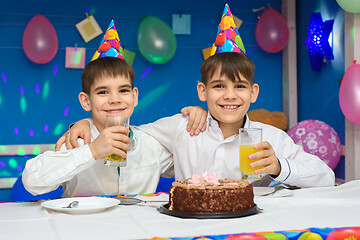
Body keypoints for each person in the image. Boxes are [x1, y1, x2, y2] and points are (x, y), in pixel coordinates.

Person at [60, 5, 335, 188]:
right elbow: (130, 133)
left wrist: (278, 166)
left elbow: (326, 176)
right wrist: (83, 123)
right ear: (202, 91)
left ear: (253, 93)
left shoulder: (270, 138)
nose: (229, 96)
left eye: (239, 87)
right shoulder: (182, 127)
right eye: (218, 87)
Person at [22, 20, 206, 197]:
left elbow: (197, 162)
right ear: (86, 101)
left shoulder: (151, 144)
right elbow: (32, 181)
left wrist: (202, 115)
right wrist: (92, 151)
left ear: (134, 96)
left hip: (139, 228)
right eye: (103, 92)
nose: (115, 99)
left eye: (123, 90)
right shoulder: (76, 141)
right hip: (84, 228)